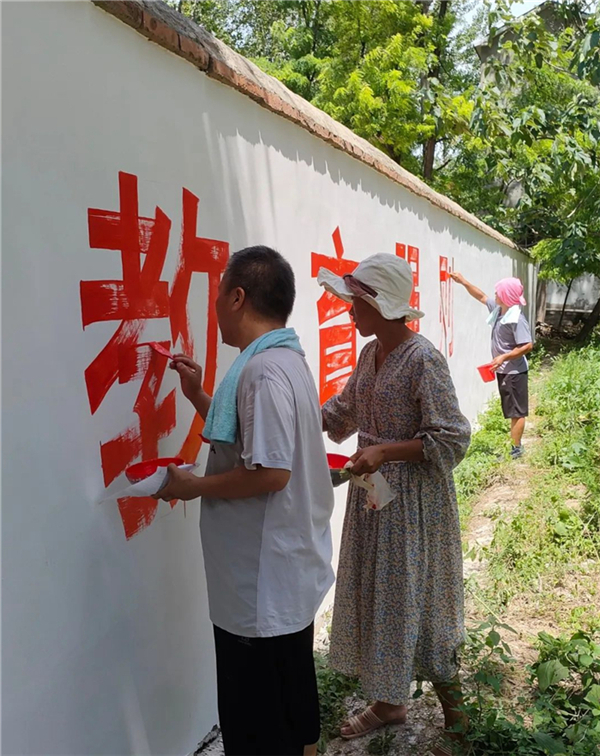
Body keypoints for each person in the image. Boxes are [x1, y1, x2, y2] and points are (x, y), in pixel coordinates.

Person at [154, 246, 335, 756]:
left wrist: (192, 485)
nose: (213, 305)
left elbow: (270, 473)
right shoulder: (284, 360)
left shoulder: (261, 372)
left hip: (259, 587)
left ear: (237, 298)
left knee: (256, 725)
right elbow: (252, 442)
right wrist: (198, 396)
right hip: (280, 577)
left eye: (217, 293)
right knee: (290, 702)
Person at [318, 253, 471, 756]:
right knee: (383, 600)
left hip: (413, 506)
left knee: (418, 601)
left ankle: (458, 718)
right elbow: (342, 412)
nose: (349, 311)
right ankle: (389, 705)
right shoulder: (370, 355)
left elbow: (453, 436)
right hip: (375, 501)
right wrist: (290, 409)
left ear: (382, 305)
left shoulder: (422, 358)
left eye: (356, 303)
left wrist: (386, 451)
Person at [450, 272, 533, 459]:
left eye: (498, 292)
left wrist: (504, 357)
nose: (494, 294)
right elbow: (480, 296)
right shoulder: (499, 310)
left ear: (505, 295)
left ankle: (516, 449)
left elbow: (527, 345)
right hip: (505, 370)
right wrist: (463, 281)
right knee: (511, 409)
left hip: (514, 372)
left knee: (517, 412)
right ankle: (514, 447)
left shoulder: (516, 318)